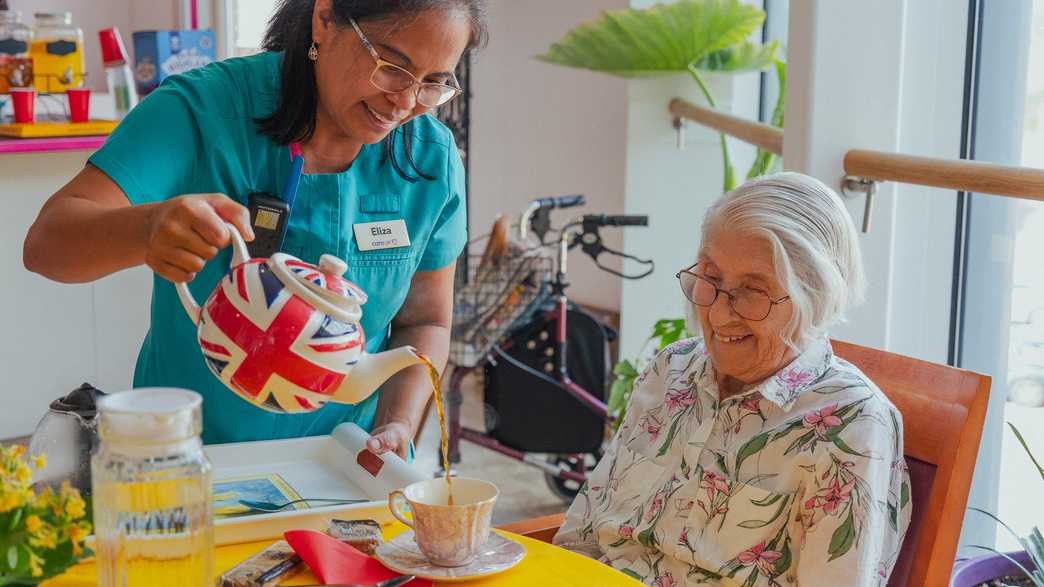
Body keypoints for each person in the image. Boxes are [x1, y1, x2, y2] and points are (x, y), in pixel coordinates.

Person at [23, 0, 487, 457]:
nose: (405, 102)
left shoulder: (429, 157)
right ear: (325, 18)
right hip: (191, 462)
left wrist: (396, 426)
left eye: (432, 83)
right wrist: (144, 231)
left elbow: (424, 321)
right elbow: (47, 243)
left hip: (348, 466)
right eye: (391, 65)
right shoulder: (201, 111)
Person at [554, 173, 912, 586]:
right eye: (712, 278)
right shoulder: (672, 370)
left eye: (753, 291)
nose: (721, 314)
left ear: (815, 296)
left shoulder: (851, 426)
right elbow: (582, 534)